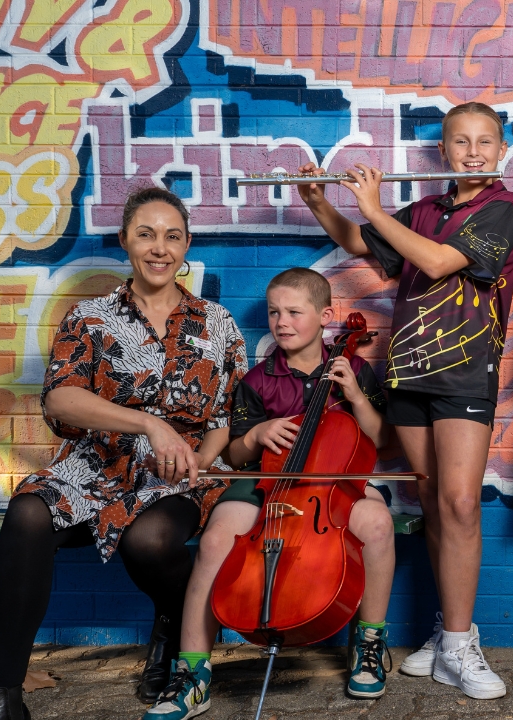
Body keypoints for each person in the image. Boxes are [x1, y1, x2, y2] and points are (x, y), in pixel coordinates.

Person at [0, 188, 247, 720]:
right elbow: (60, 397)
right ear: (125, 240)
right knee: (28, 511)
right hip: (96, 465)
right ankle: (2, 695)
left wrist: (199, 461)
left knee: (149, 539)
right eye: (145, 234)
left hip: (179, 473)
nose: (159, 248)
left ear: (187, 244)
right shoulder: (90, 316)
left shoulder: (217, 324)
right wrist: (148, 423)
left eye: (172, 236)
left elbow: (222, 418)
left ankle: (173, 619)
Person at [295, 102, 513, 700]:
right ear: (443, 152)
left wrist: (372, 208)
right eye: (460, 142)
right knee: (430, 501)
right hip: (409, 372)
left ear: (501, 151)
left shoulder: (501, 208)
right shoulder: (425, 209)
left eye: (484, 142)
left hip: (465, 375)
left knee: (460, 504)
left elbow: (437, 260)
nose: (473, 152)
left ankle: (460, 641)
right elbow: (365, 243)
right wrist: (322, 203)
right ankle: (445, 635)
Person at [143, 268, 397, 719]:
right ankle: (192, 671)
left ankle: (370, 641)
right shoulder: (259, 380)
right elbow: (238, 455)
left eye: (294, 312)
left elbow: (379, 438)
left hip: (333, 485)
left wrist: (356, 397)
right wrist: (258, 433)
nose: (282, 321)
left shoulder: (353, 370)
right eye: (274, 312)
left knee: (378, 524)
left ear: (324, 316)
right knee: (217, 538)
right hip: (266, 483)